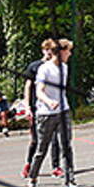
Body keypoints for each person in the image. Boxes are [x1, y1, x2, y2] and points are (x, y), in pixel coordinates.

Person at [26, 38, 86, 187]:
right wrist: (49, 101)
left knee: (66, 147)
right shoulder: (44, 69)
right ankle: (32, 180)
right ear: (60, 52)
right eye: (68, 51)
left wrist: (60, 104)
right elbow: (39, 91)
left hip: (63, 112)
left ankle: (70, 183)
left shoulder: (65, 68)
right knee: (41, 150)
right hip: (45, 114)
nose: (70, 54)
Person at [21, 42, 63, 179]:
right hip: (37, 109)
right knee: (36, 140)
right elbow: (27, 87)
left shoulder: (57, 67)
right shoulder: (34, 67)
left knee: (56, 139)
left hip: (54, 109)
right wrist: (27, 107)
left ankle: (56, 167)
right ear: (42, 50)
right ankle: (29, 164)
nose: (49, 52)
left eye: (51, 50)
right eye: (46, 50)